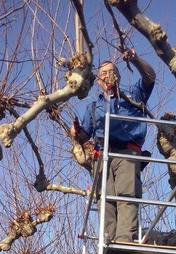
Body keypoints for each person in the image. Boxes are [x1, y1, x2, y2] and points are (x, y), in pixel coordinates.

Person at [70, 49, 156, 243]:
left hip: (127, 152)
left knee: (127, 196)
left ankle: (124, 240)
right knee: (105, 199)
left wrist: (134, 59)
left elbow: (150, 77)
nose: (108, 76)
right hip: (102, 155)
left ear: (117, 75)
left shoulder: (133, 94)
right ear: (98, 82)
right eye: (103, 73)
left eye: (111, 71)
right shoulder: (93, 106)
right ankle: (108, 241)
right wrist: (76, 134)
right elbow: (85, 134)